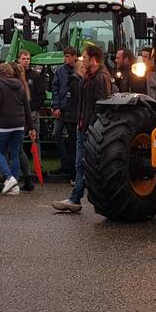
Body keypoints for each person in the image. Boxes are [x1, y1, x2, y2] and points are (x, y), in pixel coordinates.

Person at [53, 44, 112, 212]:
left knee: (87, 164)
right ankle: (75, 198)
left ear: (94, 59)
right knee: (80, 164)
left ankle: (83, 198)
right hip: (83, 126)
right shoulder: (88, 76)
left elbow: (100, 106)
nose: (82, 60)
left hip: (90, 128)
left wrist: (91, 126)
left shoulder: (100, 78)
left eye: (85, 57)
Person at [0, 63, 33, 195]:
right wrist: (30, 126)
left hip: (4, 122)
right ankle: (15, 185)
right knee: (14, 153)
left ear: (0, 73)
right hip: (19, 122)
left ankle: (9, 177)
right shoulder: (20, 84)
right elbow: (26, 106)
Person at [17, 49, 46, 192]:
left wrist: (34, 108)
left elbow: (41, 94)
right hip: (19, 113)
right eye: (23, 59)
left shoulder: (35, 76)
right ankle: (20, 169)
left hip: (33, 112)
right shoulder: (16, 76)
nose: (26, 61)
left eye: (28, 59)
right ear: (19, 60)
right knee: (18, 142)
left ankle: (37, 166)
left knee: (36, 140)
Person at [50, 47, 77, 175]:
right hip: (62, 109)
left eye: (67, 56)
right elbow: (55, 89)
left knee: (73, 139)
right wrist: (56, 107)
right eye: (64, 56)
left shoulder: (78, 70)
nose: (65, 59)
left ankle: (72, 166)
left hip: (73, 110)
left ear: (74, 57)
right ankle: (65, 162)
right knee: (56, 134)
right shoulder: (60, 71)